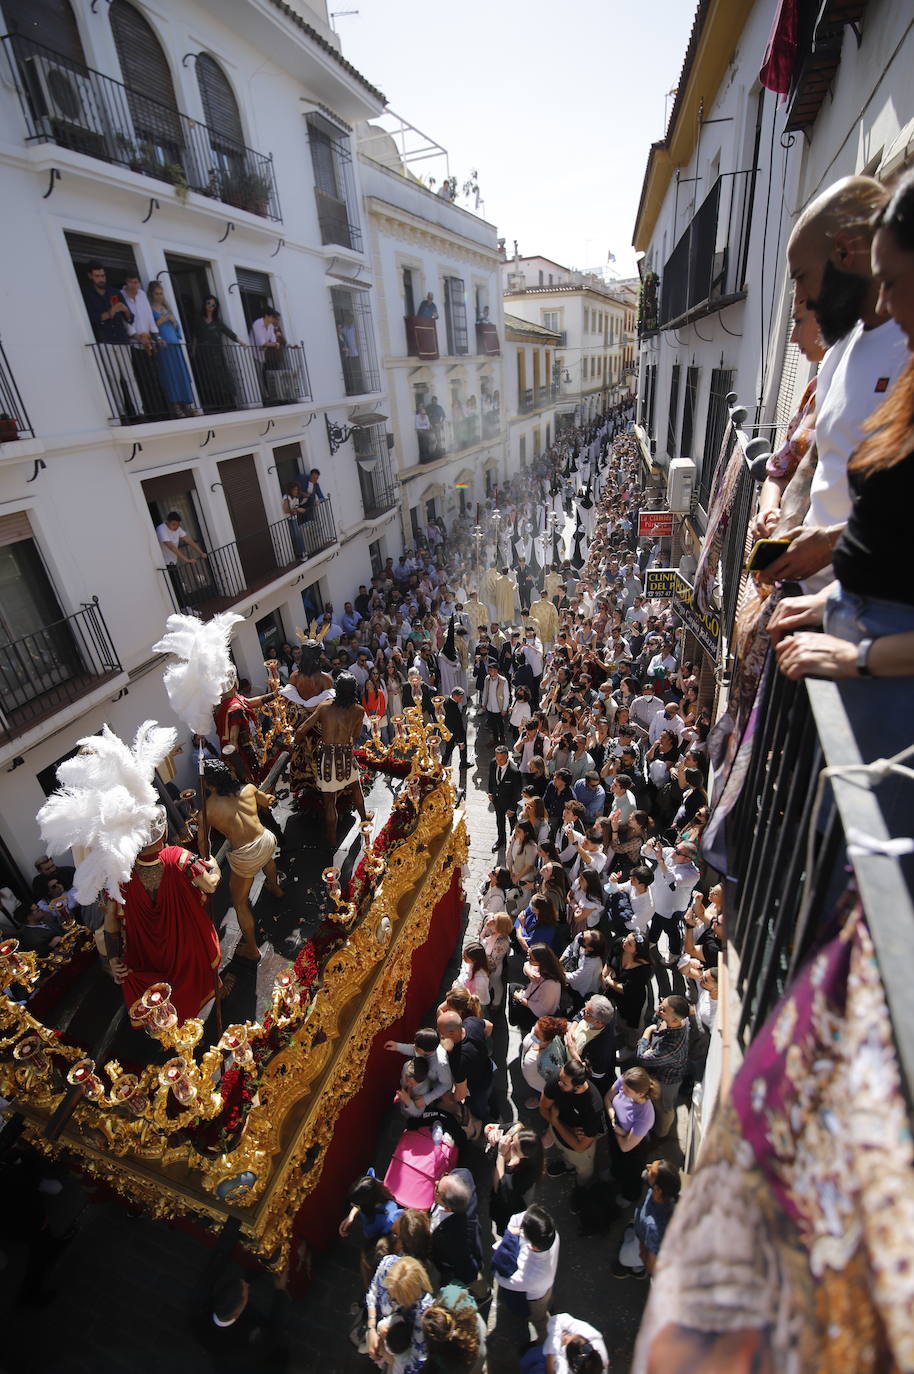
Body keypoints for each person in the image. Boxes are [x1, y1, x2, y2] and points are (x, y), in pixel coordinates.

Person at [768, 170, 914, 682]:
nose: (803, 297)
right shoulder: (840, 353)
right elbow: (815, 462)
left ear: (846, 253)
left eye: (803, 277)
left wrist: (828, 546)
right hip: (832, 610)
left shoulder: (903, 347)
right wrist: (786, 530)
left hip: (877, 647)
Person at [101, 807, 221, 1024]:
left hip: (148, 952)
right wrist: (215, 868)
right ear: (163, 831)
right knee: (196, 979)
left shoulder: (121, 873)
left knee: (165, 995)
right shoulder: (177, 856)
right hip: (186, 943)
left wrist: (113, 957)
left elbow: (110, 919)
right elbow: (210, 886)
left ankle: (176, 1029)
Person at [201, 759, 283, 962]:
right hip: (266, 841)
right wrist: (269, 798)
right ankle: (276, 888)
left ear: (209, 784)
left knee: (239, 903)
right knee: (267, 860)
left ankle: (253, 950)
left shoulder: (207, 810)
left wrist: (207, 862)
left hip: (245, 857)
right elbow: (267, 800)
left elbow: (203, 843)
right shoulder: (248, 789)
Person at [295, 672, 372, 848]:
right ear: (354, 690)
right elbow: (356, 734)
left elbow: (302, 729)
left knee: (330, 802)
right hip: (346, 755)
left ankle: (331, 841)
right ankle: (363, 818)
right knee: (355, 788)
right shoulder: (359, 710)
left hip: (327, 758)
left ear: (336, 689)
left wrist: (296, 744)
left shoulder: (324, 707)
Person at [194, 1261, 292, 1372]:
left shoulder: (203, 1316)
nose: (248, 1286)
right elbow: (275, 1327)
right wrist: (280, 1290)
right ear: (237, 1314)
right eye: (246, 1294)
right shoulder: (252, 1345)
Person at [81, 260, 142, 419]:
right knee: (114, 377)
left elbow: (130, 318)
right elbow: (92, 318)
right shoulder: (86, 294)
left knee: (129, 376)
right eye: (97, 276)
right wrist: (110, 313)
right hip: (105, 340)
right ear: (90, 276)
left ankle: (139, 411)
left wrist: (124, 311)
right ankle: (121, 413)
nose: (101, 279)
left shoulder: (114, 292)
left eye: (103, 275)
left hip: (121, 339)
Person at [492, 1204, 560, 1342]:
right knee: (549, 1298)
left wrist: (511, 1235)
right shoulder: (551, 1234)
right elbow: (518, 1218)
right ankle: (551, 1307)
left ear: (533, 1245)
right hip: (546, 1285)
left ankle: (545, 1342)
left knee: (539, 1318)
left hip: (536, 1299)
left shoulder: (530, 1274)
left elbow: (503, 1279)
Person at [611, 1157, 680, 1280]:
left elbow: (652, 1265)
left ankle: (637, 1270)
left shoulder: (654, 1226)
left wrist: (643, 1254)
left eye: (651, 1172)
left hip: (641, 1242)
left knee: (623, 1258)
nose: (647, 1166)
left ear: (658, 1190)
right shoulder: (660, 1193)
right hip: (640, 1231)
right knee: (629, 1236)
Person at [539, 1060, 606, 1185]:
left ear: (578, 1087)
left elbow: (580, 1148)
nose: (558, 1083)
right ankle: (568, 1166)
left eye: (564, 1084)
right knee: (566, 1155)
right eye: (560, 1076)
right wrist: (565, 1128)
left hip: (578, 1149)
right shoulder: (559, 1078)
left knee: (584, 1170)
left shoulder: (593, 1107)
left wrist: (556, 1122)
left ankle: (583, 1186)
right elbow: (543, 1108)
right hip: (560, 1135)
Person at [636, 995, 690, 1137]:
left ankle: (662, 1134)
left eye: (663, 1009)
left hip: (666, 1080)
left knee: (665, 1109)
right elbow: (656, 1021)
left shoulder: (672, 1046)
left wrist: (648, 1031)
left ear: (675, 1020)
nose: (658, 1010)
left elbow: (642, 1058)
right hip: (657, 1070)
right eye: (661, 1005)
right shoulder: (670, 1020)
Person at [147, 281, 196, 416]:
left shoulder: (166, 308)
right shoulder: (150, 309)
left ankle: (187, 405)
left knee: (181, 375)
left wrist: (174, 322)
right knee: (170, 375)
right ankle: (176, 407)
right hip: (163, 347)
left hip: (175, 345)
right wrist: (160, 321)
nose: (159, 296)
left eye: (161, 293)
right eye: (157, 294)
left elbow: (177, 328)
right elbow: (150, 327)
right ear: (151, 294)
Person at [437, 1009, 494, 1126]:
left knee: (478, 1108)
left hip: (477, 1086)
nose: (439, 1033)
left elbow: (461, 1094)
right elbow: (489, 1025)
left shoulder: (457, 1060)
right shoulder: (471, 1021)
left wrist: (450, 1098)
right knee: (491, 1095)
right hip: (489, 1068)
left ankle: (483, 1123)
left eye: (441, 1032)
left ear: (452, 1033)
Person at [429, 1169, 483, 1287]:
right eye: (445, 1175)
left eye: (438, 1191)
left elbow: (467, 1266)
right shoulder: (464, 1174)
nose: (436, 1182)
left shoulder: (454, 1239)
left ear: (447, 1208)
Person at [488, 1123, 544, 1234]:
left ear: (525, 1156)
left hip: (510, 1201)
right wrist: (491, 1133)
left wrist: (501, 1154)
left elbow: (499, 1188)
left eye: (515, 1148)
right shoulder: (515, 1129)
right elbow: (488, 1127)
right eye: (513, 1139)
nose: (510, 1144)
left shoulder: (527, 1173)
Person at [194, 294, 241, 411]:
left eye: (213, 305)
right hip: (205, 355)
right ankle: (213, 403)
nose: (211, 306)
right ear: (205, 304)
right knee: (209, 379)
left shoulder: (217, 322)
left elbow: (229, 333)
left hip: (217, 356)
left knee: (222, 378)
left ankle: (227, 403)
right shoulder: (199, 320)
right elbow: (195, 336)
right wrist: (193, 351)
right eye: (209, 303)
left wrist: (242, 342)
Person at [543, 1313, 609, 1374]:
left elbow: (551, 1370)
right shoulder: (592, 1336)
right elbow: (558, 1320)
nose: (572, 1335)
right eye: (587, 1347)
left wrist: (552, 1352)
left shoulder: (562, 1367)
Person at [487, 744, 522, 851]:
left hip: (509, 803)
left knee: (513, 824)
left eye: (501, 759)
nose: (498, 761)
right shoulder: (493, 763)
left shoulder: (514, 772)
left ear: (507, 756)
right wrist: (490, 792)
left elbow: (517, 792)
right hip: (497, 800)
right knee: (499, 822)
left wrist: (512, 808)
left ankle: (515, 843)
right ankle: (501, 840)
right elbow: (490, 778)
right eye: (497, 758)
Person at [481, 662, 510, 745]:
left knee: (500, 724)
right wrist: (484, 703)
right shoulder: (487, 679)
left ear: (496, 671)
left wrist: (504, 708)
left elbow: (506, 695)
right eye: (489, 670)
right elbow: (485, 692)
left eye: (492, 670)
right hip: (490, 706)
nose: (490, 672)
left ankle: (502, 738)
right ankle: (495, 739)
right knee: (493, 724)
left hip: (499, 707)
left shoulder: (503, 681)